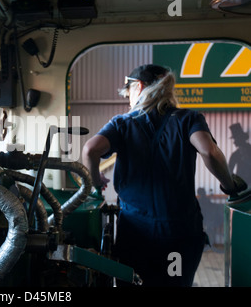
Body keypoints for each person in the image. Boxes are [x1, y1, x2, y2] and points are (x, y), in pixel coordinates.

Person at [82, 64, 247, 287]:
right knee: (173, 281)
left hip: (135, 237)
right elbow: (210, 152)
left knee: (135, 282)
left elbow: (90, 150)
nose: (128, 99)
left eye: (127, 92)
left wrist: (95, 182)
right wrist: (229, 185)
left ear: (138, 87)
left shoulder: (123, 123)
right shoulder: (188, 119)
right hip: (178, 236)